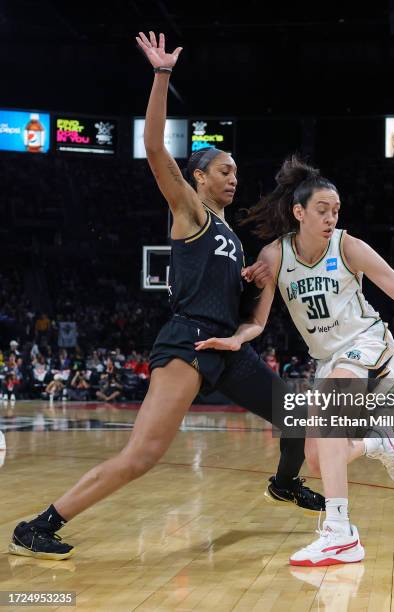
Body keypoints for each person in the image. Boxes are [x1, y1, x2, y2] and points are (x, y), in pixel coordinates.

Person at [8, 33, 322, 562]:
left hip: (227, 348)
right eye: (225, 170)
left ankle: (285, 485)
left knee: (296, 417)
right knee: (144, 455)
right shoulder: (191, 213)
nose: (233, 178)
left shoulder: (229, 234)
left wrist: (251, 285)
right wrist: (161, 75)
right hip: (188, 343)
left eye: (237, 173)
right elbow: (155, 148)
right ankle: (38, 524)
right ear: (197, 178)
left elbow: (239, 306)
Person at [195, 155, 394, 566]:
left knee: (326, 410)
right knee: (317, 457)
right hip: (329, 362)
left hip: (369, 348)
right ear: (299, 212)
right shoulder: (275, 256)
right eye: (322, 210)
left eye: (336, 211)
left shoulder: (348, 247)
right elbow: (257, 321)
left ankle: (340, 534)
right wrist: (235, 338)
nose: (330, 218)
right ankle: (375, 441)